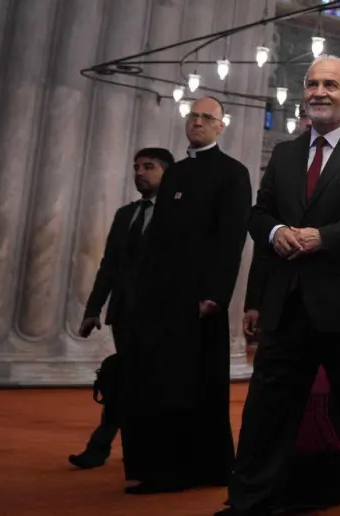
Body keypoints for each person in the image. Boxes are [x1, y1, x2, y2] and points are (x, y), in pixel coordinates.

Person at [220, 55, 340, 516]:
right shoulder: (284, 154)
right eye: (311, 84)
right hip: (287, 307)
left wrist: (325, 237)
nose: (318, 92)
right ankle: (249, 504)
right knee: (265, 413)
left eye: (330, 85)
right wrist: (274, 232)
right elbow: (259, 212)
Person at [116, 96, 252, 494]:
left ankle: (196, 468)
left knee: (191, 383)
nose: (197, 122)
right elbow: (157, 238)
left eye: (207, 117)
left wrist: (215, 292)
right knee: (159, 381)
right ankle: (163, 465)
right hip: (160, 296)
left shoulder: (233, 173)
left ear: (221, 126)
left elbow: (232, 238)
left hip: (199, 299)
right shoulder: (174, 174)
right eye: (192, 115)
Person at [73, 147, 174, 470]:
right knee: (124, 379)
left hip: (164, 316)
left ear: (167, 173)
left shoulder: (178, 215)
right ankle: (104, 446)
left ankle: (135, 448)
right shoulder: (125, 214)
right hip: (125, 314)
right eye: (137, 167)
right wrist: (93, 309)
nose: (140, 173)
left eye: (149, 167)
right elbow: (109, 266)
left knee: (153, 384)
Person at [242, 252, 340, 513]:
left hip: (328, 309)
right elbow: (262, 254)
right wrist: (254, 303)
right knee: (269, 402)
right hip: (281, 307)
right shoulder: (272, 218)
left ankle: (314, 488)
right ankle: (267, 487)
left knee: (319, 398)